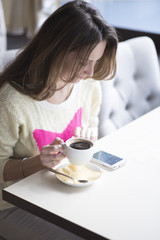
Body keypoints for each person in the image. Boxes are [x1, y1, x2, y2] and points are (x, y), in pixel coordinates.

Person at [0, 0, 118, 239]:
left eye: (96, 62)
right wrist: (36, 162)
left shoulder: (88, 86)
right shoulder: (11, 101)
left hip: (62, 193)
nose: (90, 73)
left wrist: (90, 136)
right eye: (84, 62)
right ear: (56, 49)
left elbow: (91, 126)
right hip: (12, 205)